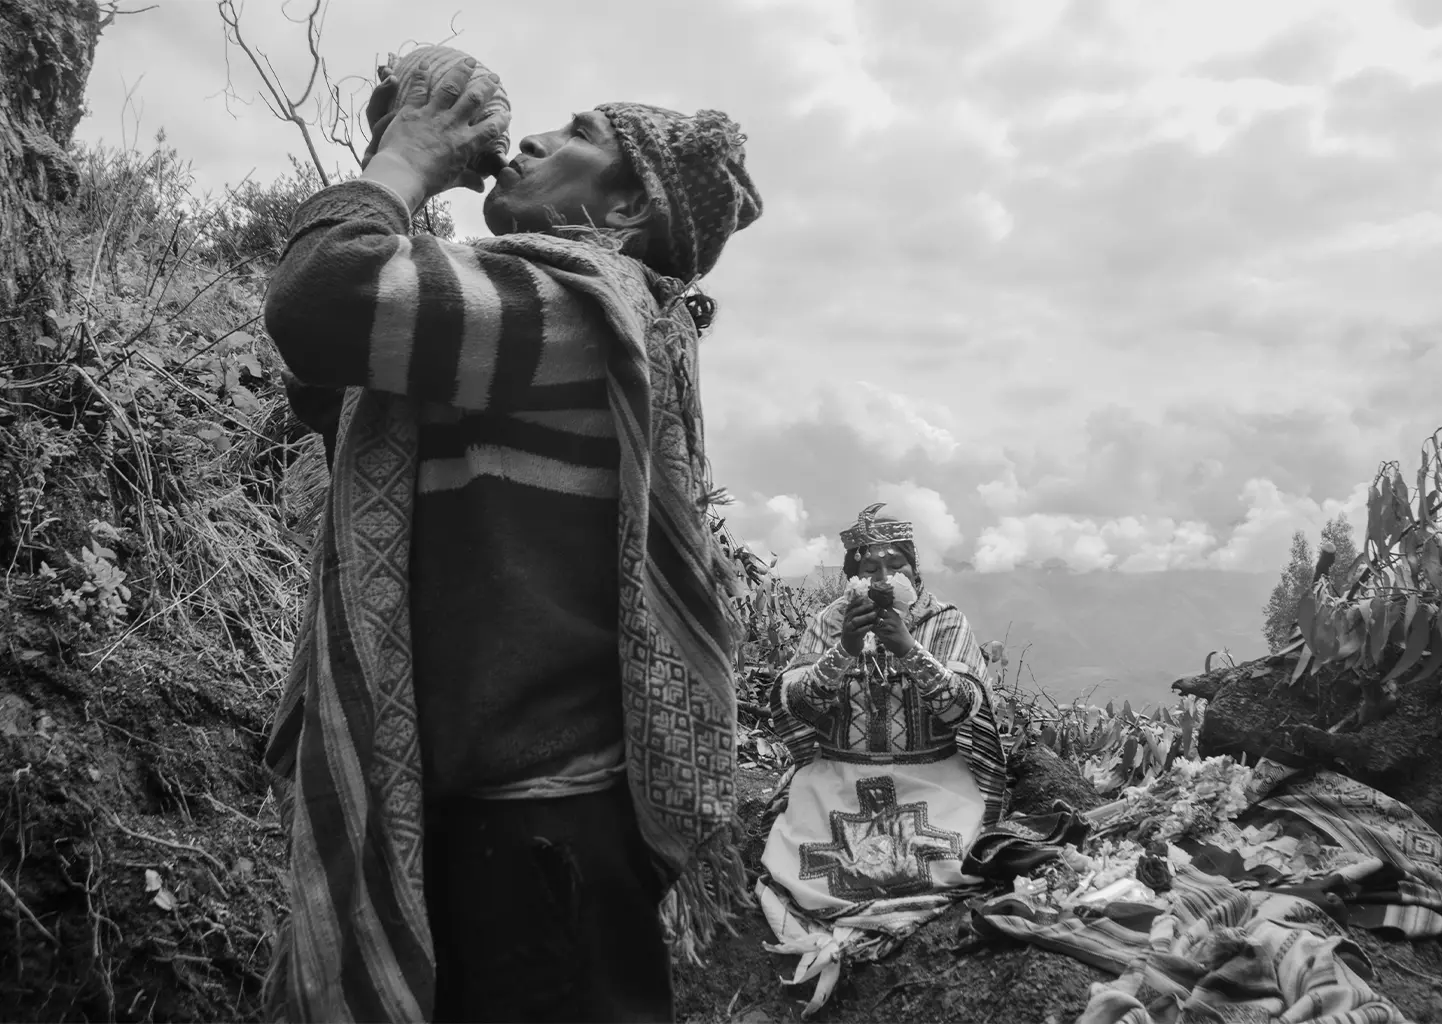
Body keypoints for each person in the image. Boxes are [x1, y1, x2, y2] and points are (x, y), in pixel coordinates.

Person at [261, 58, 761, 1023]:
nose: (531, 139)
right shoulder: (533, 319)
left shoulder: (582, 308)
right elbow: (330, 391)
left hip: (534, 841)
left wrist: (403, 163)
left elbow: (319, 302)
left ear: (623, 209)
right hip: (500, 822)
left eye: (577, 134)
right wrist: (389, 152)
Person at [763, 503, 1007, 913]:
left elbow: (964, 709)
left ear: (916, 571)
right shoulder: (829, 622)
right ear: (852, 579)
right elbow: (798, 706)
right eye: (869, 569)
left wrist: (909, 650)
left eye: (896, 565)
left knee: (952, 864)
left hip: (935, 781)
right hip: (836, 780)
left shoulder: (945, 622)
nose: (883, 578)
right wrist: (845, 649)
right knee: (801, 866)